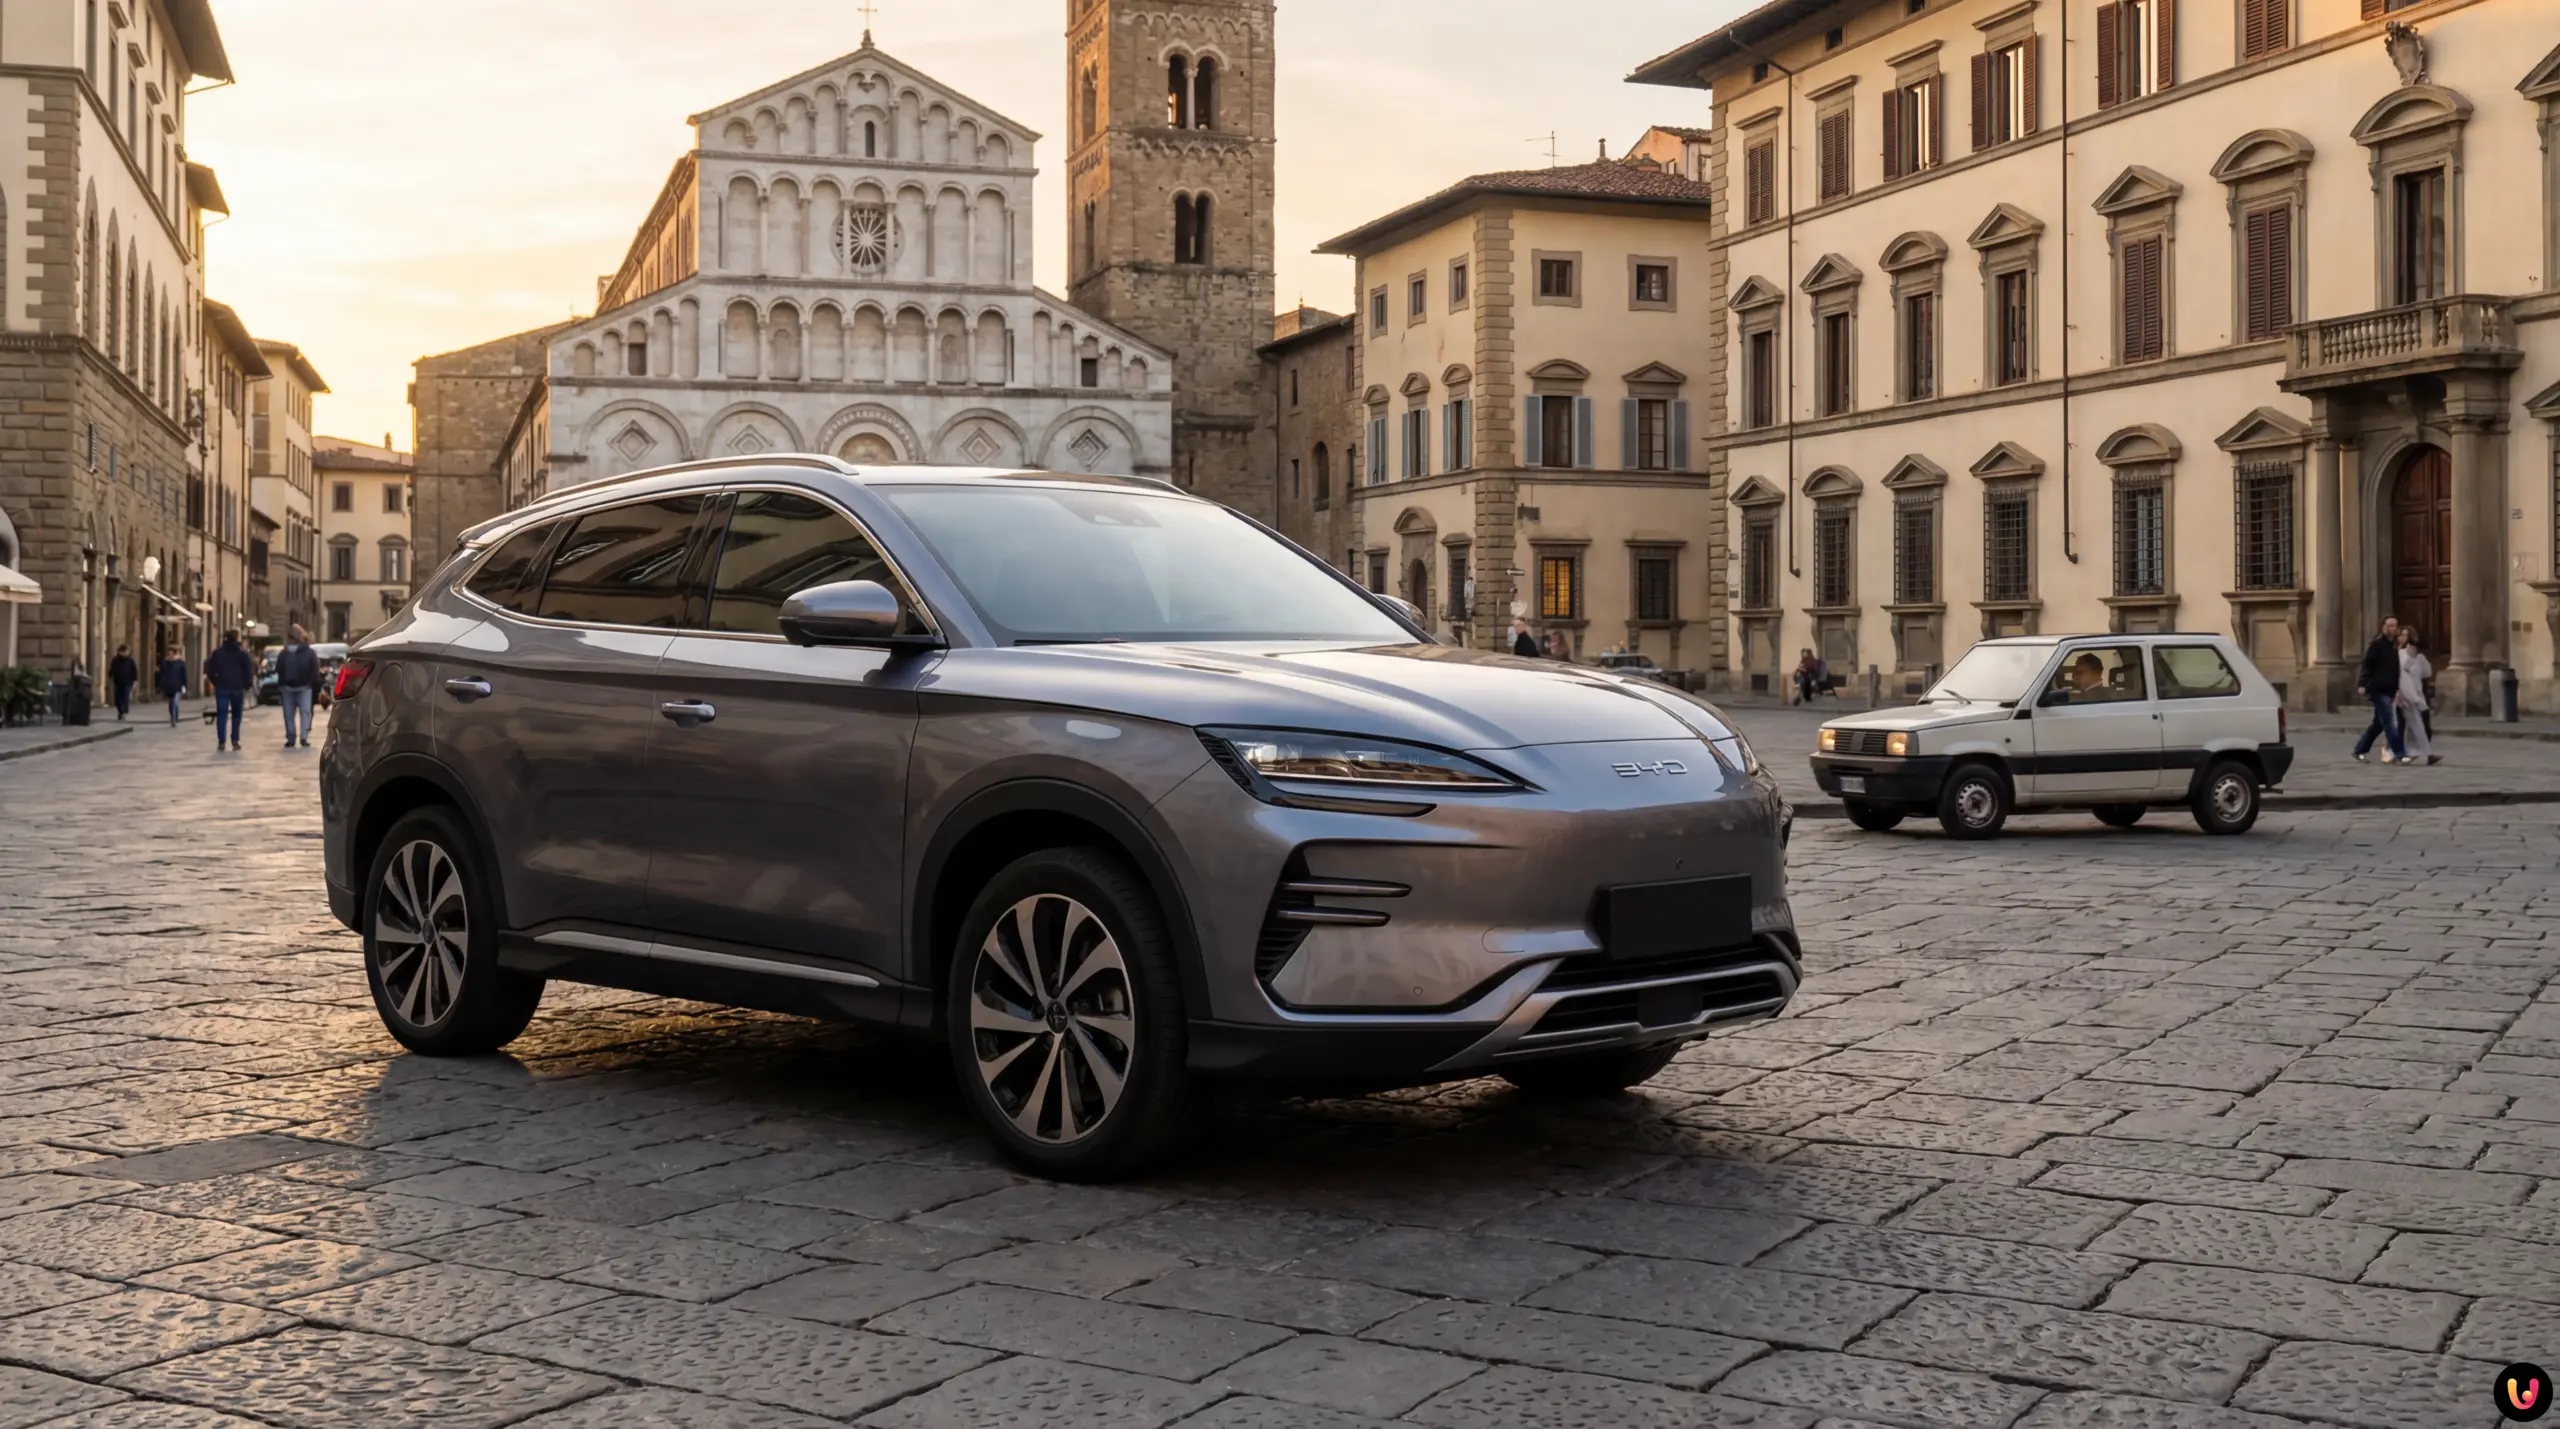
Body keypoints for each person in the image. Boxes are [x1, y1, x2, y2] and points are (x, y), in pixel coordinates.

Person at [2351, 615, 2407, 765]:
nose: (2392, 629)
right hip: (2377, 688)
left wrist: (2396, 689)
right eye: (2389, 626)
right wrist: (2362, 683)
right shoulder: (2377, 645)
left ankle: (2359, 750)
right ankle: (2400, 753)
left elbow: (2396, 671)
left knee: (2378, 724)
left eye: (2395, 626)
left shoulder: (2394, 647)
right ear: (2383, 627)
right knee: (2389, 722)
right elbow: (2367, 665)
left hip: (2390, 689)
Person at [205, 630, 256, 752]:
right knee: (236, 715)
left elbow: (209, 669)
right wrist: (246, 685)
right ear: (237, 638)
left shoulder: (217, 653)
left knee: (222, 715)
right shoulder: (242, 654)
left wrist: (215, 681)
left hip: (222, 687)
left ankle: (221, 741)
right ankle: (235, 740)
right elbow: (248, 671)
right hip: (238, 688)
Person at [2397, 628, 2439, 766]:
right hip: (2402, 692)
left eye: (2407, 636)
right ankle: (2394, 752)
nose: (2405, 639)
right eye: (2402, 635)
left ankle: (2420, 752)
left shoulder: (2419, 657)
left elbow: (2426, 673)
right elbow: (2400, 670)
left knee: (2418, 724)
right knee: (2399, 725)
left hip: (2415, 693)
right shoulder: (2398, 654)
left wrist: (2418, 659)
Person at [275, 625, 320, 749]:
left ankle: (291, 738)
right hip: (305, 687)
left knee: (289, 714)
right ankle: (304, 737)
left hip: (287, 688)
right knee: (305, 712)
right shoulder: (310, 652)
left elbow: (278, 669)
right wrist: (312, 684)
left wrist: (281, 684)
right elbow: (315, 670)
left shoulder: (284, 653)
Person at [154, 646, 189, 727]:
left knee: (175, 703)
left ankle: (174, 717)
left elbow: (184, 675)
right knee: (171, 703)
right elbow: (161, 674)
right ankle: (173, 715)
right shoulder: (164, 662)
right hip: (168, 686)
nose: (170, 655)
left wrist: (185, 686)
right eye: (169, 653)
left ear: (175, 653)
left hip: (178, 686)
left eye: (172, 653)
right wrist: (161, 684)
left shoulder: (180, 663)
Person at [107, 645, 138, 721]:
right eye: (124, 651)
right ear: (120, 652)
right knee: (118, 698)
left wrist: (135, 681)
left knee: (125, 696)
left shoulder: (130, 660)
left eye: (127, 651)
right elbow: (112, 669)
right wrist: (110, 676)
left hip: (128, 682)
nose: (126, 653)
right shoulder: (115, 660)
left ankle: (124, 711)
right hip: (118, 682)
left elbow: (134, 671)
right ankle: (120, 711)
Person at [63, 657, 93, 726]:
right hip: (84, 694)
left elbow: (76, 676)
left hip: (80, 692)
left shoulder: (78, 674)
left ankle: (73, 719)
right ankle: (83, 720)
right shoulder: (84, 673)